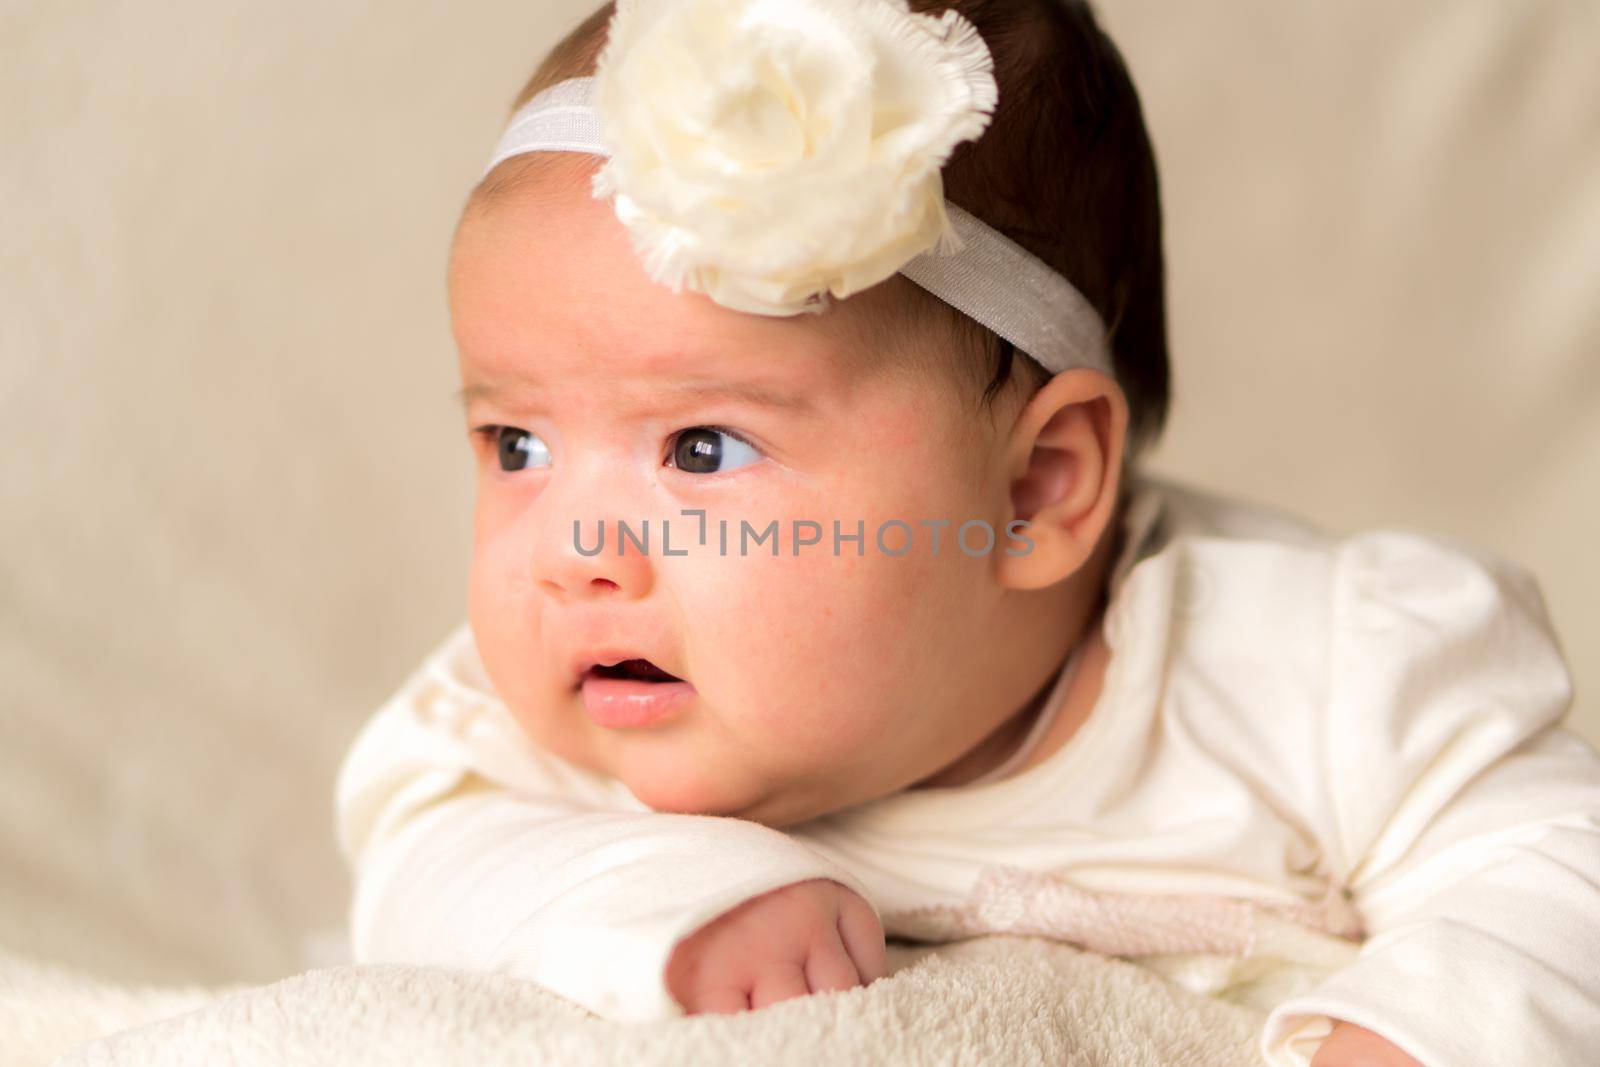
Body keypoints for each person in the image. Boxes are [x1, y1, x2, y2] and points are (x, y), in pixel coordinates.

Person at [333, 2, 1600, 1064]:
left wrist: (1419, 1035)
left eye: (700, 449)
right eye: (517, 446)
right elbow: (422, 861)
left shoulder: (1322, 670)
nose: (574, 551)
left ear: (1037, 486)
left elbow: (1556, 864)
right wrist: (664, 912)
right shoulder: (516, 735)